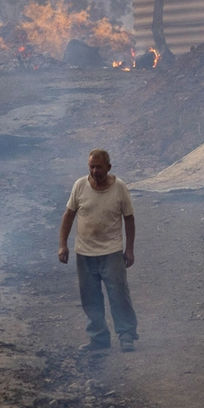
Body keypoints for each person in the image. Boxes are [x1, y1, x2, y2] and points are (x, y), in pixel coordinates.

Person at [58, 148, 139, 352]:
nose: (95, 171)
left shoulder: (119, 188)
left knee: (119, 295)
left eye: (99, 167)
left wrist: (129, 249)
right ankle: (98, 337)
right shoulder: (80, 186)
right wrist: (63, 245)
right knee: (90, 298)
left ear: (108, 167)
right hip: (84, 253)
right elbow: (68, 215)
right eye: (91, 167)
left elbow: (129, 219)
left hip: (111, 252)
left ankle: (126, 335)